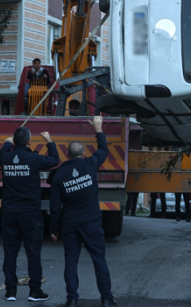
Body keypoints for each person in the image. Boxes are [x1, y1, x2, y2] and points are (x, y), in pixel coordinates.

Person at [49, 116, 117, 307]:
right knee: (99, 260)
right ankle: (106, 298)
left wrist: (54, 229)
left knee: (71, 262)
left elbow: (55, 206)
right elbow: (103, 150)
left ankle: (72, 299)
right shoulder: (90, 165)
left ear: (67, 155)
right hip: (91, 223)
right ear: (84, 154)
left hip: (69, 224)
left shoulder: (58, 175)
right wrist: (98, 129)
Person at [0, 127, 59, 302]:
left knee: (10, 253)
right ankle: (35, 291)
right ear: (30, 142)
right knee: (33, 253)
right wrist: (50, 141)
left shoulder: (6, 158)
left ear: (14, 143)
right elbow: (55, 160)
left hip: (9, 213)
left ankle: (10, 292)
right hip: (30, 214)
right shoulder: (34, 158)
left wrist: (6, 144)